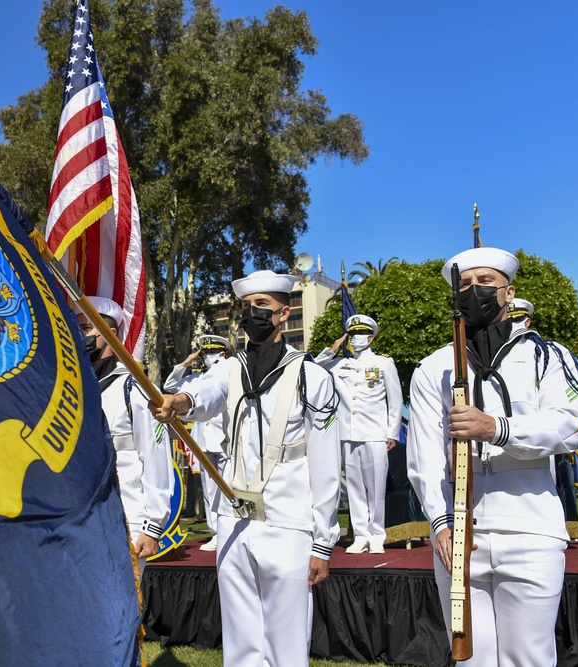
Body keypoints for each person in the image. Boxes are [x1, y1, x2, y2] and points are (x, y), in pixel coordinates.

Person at [150, 270, 341, 667]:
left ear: (284, 314)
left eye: (262, 307)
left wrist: (323, 541)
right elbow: (206, 391)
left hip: (288, 520)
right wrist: (181, 401)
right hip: (233, 520)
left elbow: (325, 464)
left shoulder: (312, 375)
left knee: (286, 644)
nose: (252, 314)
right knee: (240, 643)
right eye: (246, 307)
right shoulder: (229, 368)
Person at [407, 248, 578, 667]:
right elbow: (425, 459)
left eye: (485, 282)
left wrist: (497, 429)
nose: (475, 291)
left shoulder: (549, 356)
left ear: (509, 292)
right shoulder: (434, 368)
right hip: (460, 534)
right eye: (465, 285)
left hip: (530, 526)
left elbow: (569, 427)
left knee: (530, 657)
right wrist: (441, 524)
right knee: (472, 660)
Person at [78, 297, 173, 573]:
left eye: (86, 329)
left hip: (126, 519)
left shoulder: (135, 389)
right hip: (79, 521)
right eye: (78, 328)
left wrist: (152, 526)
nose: (79, 335)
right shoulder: (74, 387)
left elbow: (156, 459)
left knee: (122, 610)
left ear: (110, 334)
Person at [315, 314, 402, 553]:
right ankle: (360, 535)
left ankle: (377, 535)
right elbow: (311, 368)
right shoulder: (340, 365)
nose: (355, 339)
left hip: (374, 433)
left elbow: (395, 401)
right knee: (354, 488)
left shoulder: (384, 364)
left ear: (371, 337)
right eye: (352, 335)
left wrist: (392, 433)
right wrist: (331, 350)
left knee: (375, 489)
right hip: (346, 434)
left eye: (360, 334)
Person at [507, 298, 578, 539]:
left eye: (517, 319)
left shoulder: (544, 352)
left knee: (545, 485)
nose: (513, 323)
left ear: (528, 321)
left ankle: (550, 532)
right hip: (499, 434)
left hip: (538, 431)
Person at [163, 334, 234, 551]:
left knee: (228, 488)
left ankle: (229, 530)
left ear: (222, 353)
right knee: (209, 489)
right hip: (204, 440)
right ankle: (216, 532)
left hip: (224, 439)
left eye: (211, 352)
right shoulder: (197, 378)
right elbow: (170, 386)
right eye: (205, 352)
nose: (207, 356)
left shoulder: (230, 368)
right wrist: (185, 363)